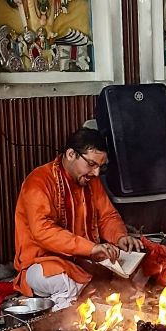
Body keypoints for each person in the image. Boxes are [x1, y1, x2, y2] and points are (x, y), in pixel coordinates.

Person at [14, 128, 146, 310]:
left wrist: (120, 237)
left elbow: (107, 216)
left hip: (81, 260)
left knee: (138, 271)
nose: (96, 173)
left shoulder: (90, 181)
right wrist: (91, 248)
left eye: (101, 166)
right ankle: (62, 328)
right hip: (41, 264)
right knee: (67, 284)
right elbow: (43, 231)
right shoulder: (38, 182)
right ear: (71, 154)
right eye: (91, 164)